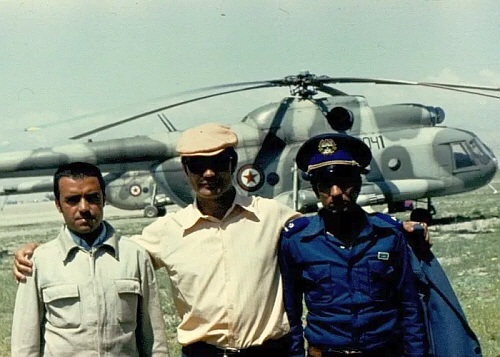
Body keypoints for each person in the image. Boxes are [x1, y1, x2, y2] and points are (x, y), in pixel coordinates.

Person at [13, 124, 428, 357]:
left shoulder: (275, 217)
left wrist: (400, 229)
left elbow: (335, 223)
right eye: (197, 167)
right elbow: (105, 252)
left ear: (233, 164)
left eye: (218, 164)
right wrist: (38, 251)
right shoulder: (162, 234)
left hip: (270, 353)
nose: (208, 174)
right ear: (186, 171)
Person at [279, 133, 426, 357]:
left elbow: (410, 306)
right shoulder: (297, 241)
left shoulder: (388, 235)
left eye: (344, 182)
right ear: (316, 189)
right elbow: (291, 312)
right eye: (326, 185)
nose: (336, 193)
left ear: (357, 183)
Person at [11, 162, 168, 357]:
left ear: (104, 199)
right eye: (73, 200)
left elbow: (154, 340)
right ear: (59, 205)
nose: (84, 208)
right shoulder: (39, 262)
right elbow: (24, 345)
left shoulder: (134, 256)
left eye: (92, 198)